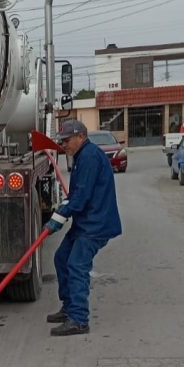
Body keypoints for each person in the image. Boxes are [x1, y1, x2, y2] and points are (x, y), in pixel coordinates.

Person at [44, 119, 122, 336]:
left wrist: (58, 217)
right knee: (61, 258)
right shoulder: (81, 156)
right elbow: (77, 195)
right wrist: (64, 210)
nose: (64, 145)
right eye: (62, 141)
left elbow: (81, 197)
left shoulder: (89, 156)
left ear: (81, 136)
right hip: (85, 222)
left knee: (77, 265)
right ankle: (69, 307)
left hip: (95, 225)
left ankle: (78, 320)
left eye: (67, 140)